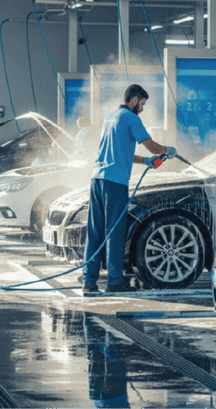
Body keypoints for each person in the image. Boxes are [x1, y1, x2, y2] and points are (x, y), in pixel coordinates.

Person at [82, 84, 176, 294]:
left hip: (97, 179)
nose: (142, 108)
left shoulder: (110, 118)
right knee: (114, 232)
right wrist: (167, 151)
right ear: (133, 100)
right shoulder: (131, 118)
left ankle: (89, 281)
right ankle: (115, 282)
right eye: (141, 104)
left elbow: (121, 152)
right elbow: (150, 144)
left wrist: (145, 161)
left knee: (95, 232)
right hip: (115, 184)